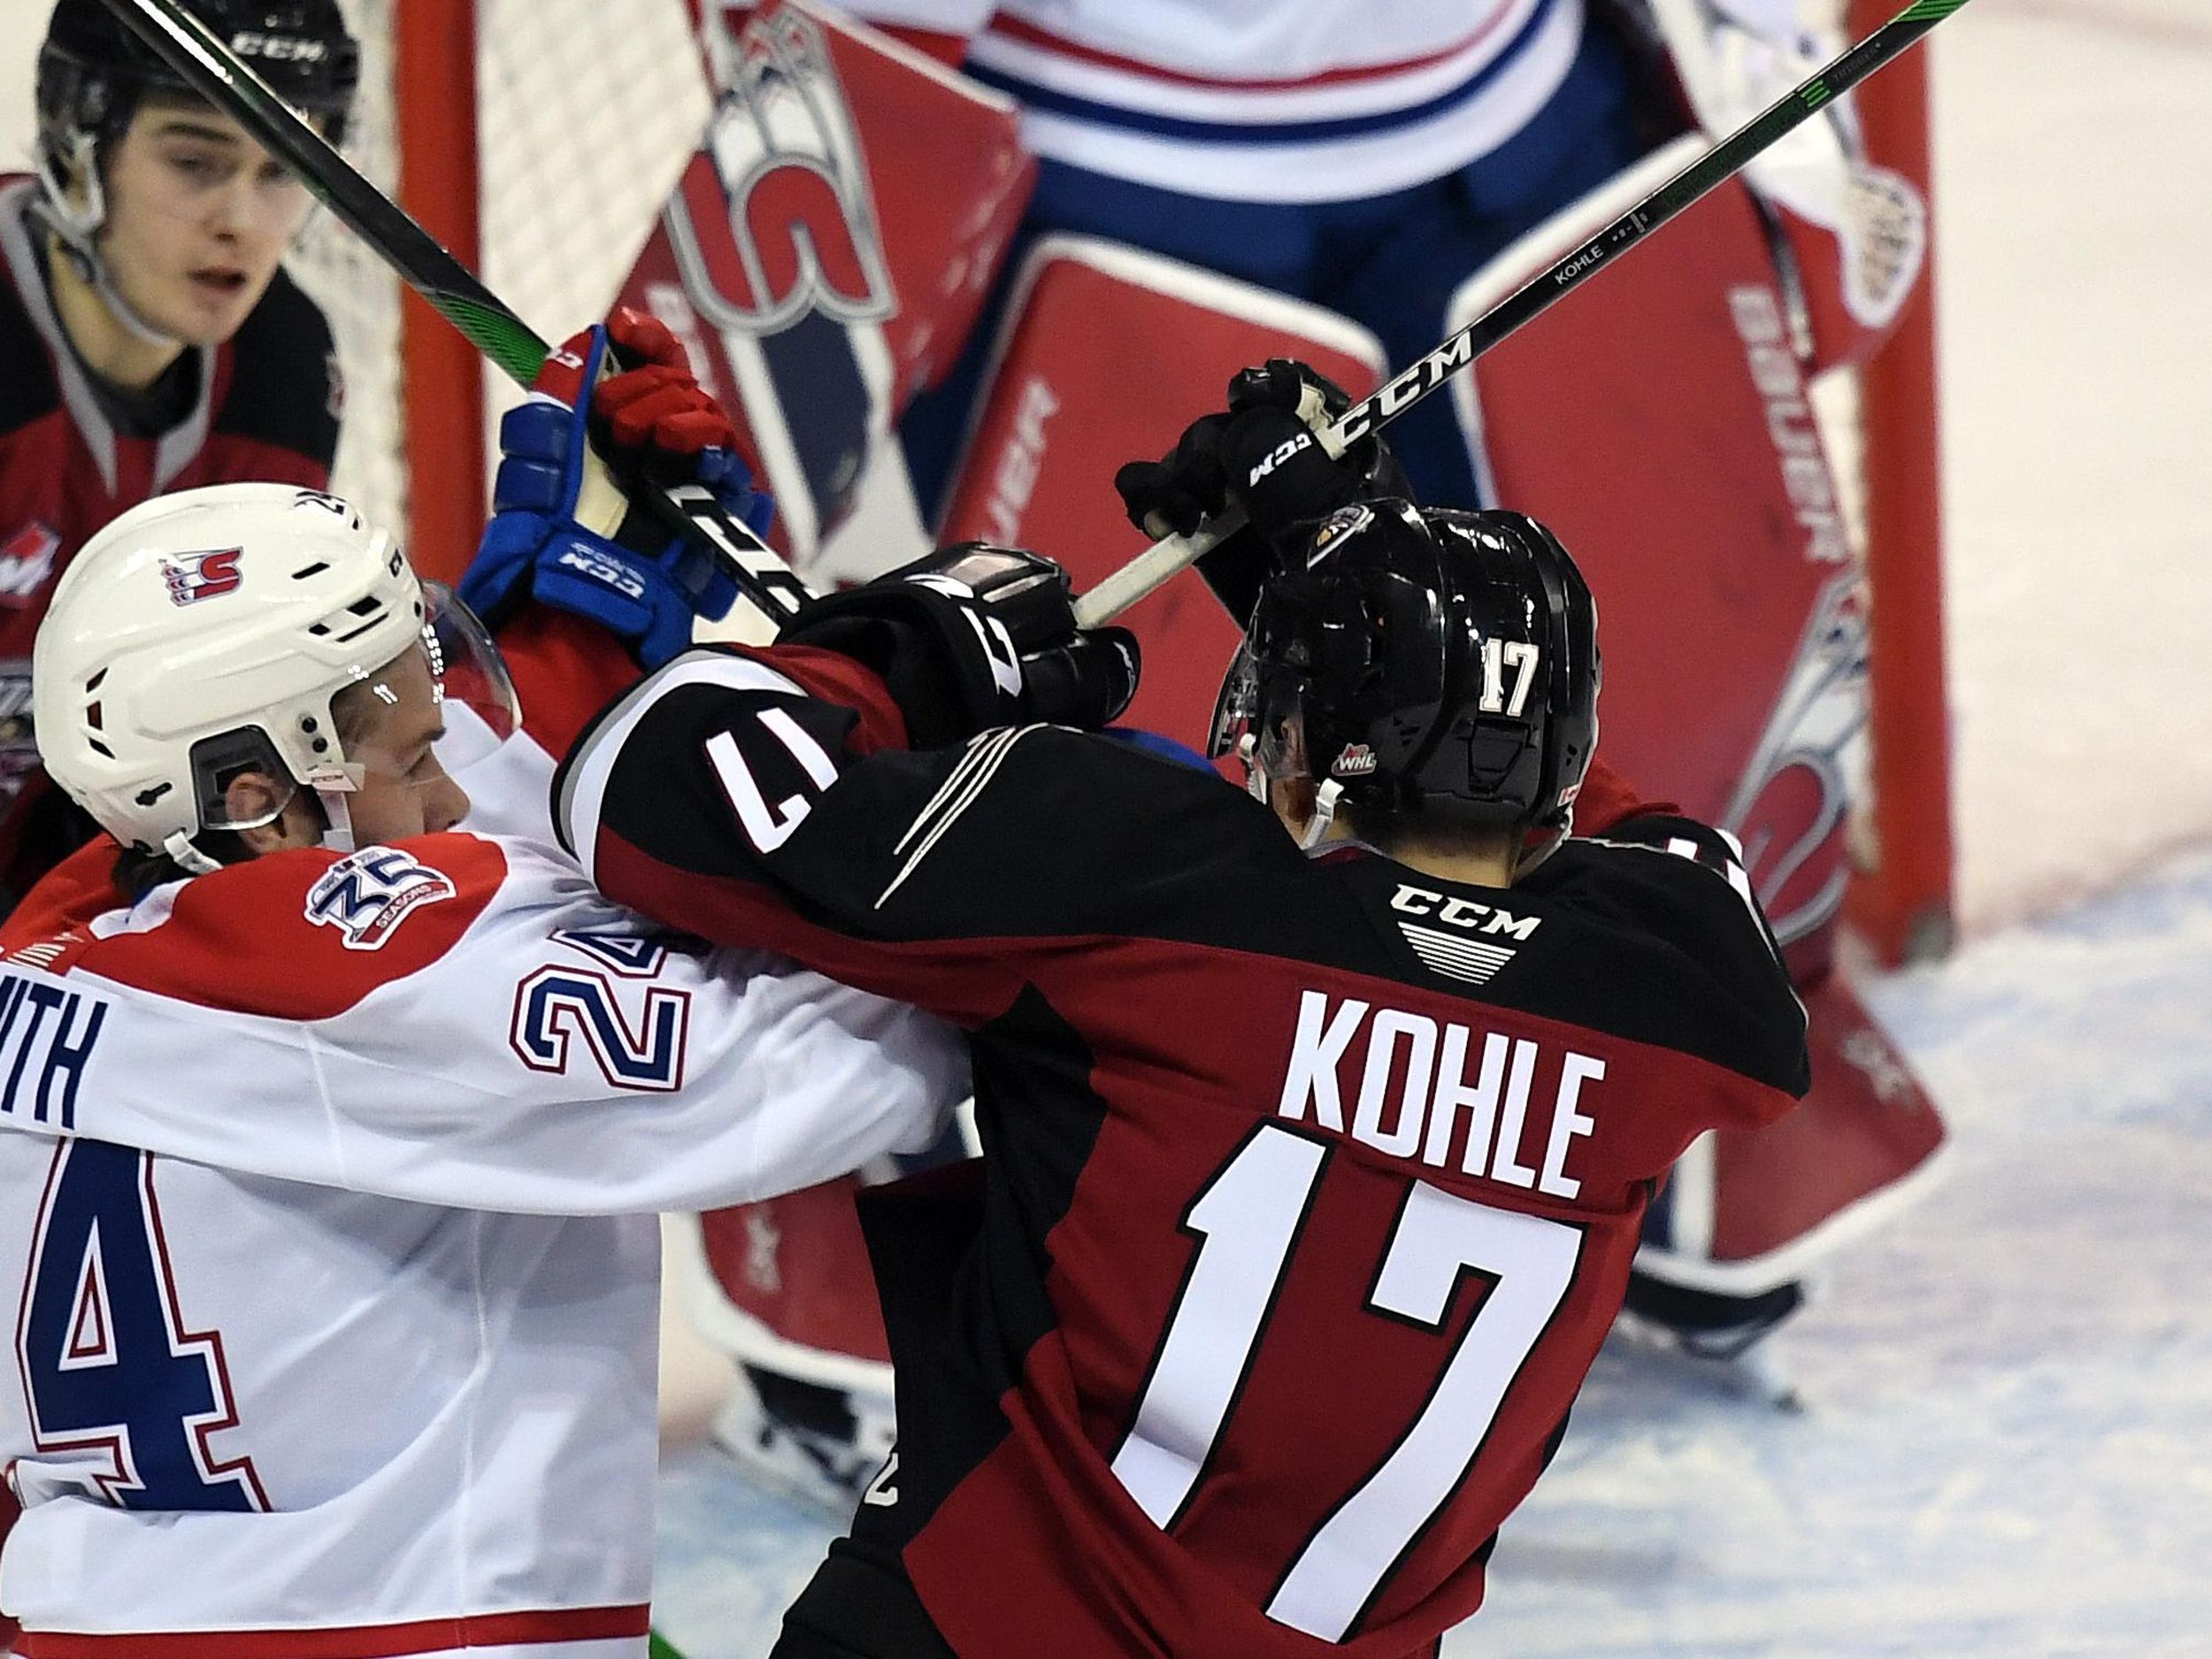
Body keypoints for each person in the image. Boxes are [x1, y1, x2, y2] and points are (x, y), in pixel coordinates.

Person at [548, 363, 1811, 1655]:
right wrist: (1391, 613)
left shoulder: (1148, 874)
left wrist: (900, 657)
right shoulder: (1684, 996)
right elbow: (1636, 848)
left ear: (1313, 741)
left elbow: (642, 790)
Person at [0, 355, 970, 1647]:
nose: (452, 793)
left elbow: (415, 866)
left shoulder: (74, 937)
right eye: (414, 757)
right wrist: (986, 801)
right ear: (251, 795)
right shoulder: (347, 981)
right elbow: (807, 1070)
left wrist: (577, 622)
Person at [0, 0, 358, 911]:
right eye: (195, 163)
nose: (242, 220)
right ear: (81, 140)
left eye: (283, 169)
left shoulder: (280, 369)